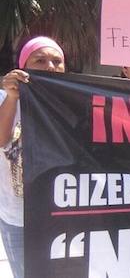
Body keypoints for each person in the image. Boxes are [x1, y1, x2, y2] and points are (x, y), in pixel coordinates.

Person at [0, 36, 66, 278]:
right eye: (40, 60)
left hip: (63, 215)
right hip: (20, 220)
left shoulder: (75, 103)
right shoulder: (6, 99)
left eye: (57, 61)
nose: (50, 66)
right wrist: (12, 97)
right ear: (23, 65)